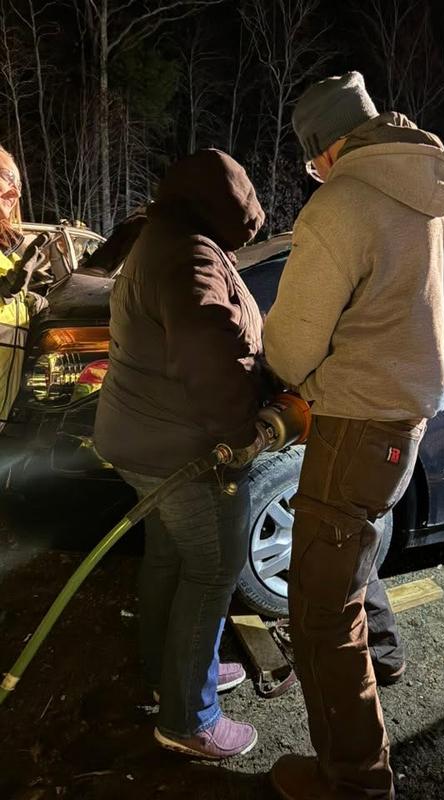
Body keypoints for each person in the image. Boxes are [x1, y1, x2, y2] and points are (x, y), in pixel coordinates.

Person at [264, 72, 444, 799]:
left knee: (320, 610)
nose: (314, 172)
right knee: (354, 543)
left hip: (353, 424)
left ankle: (355, 781)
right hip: (406, 423)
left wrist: (281, 370)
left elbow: (292, 344)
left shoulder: (343, 203)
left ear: (327, 147)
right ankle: (381, 655)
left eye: (310, 160)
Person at [94, 149, 268, 760]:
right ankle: (189, 717)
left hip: (138, 439)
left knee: (170, 558)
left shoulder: (158, 238)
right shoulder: (189, 255)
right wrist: (243, 434)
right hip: (183, 449)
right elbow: (209, 359)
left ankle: (171, 672)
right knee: (214, 569)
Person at [0, 145, 47, 433]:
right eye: (6, 179)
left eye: (16, 184)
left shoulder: (9, 246)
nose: (15, 193)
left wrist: (27, 301)